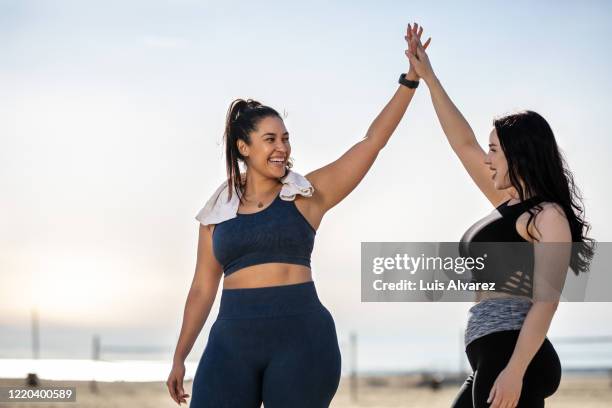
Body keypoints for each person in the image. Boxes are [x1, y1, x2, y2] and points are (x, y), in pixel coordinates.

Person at [166, 23, 431, 408]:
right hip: (230, 342)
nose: (282, 148)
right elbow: (202, 289)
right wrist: (179, 355)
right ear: (244, 147)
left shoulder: (306, 196)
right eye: (270, 139)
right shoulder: (216, 211)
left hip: (302, 339)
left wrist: (410, 81)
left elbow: (371, 143)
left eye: (286, 138)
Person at [405, 27, 594, 408]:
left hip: (511, 354)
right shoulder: (509, 202)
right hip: (491, 354)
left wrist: (515, 371)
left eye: (494, 150)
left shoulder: (547, 216)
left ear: (518, 155)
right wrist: (430, 79)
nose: (487, 157)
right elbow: (462, 143)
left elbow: (547, 302)